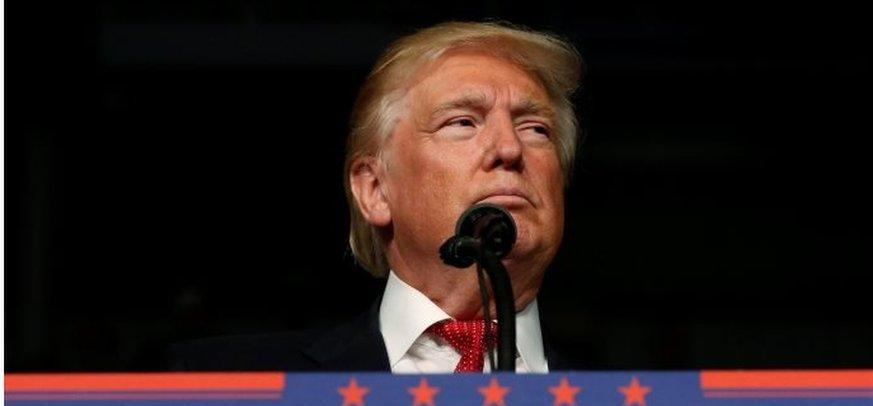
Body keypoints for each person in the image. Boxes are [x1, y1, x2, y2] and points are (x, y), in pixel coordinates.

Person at [169, 21, 582, 373]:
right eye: (462, 122)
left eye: (536, 129)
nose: (510, 149)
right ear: (375, 190)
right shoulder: (218, 386)